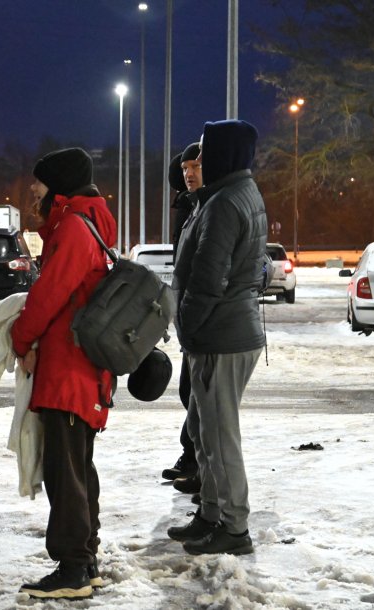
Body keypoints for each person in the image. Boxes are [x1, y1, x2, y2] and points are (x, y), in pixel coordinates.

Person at [10, 147, 117, 600]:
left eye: (39, 183)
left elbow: (50, 295)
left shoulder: (74, 228)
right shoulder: (84, 224)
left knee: (65, 472)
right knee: (77, 468)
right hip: (78, 370)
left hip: (70, 371)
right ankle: (84, 559)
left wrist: (20, 337)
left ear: (57, 187)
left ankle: (73, 567)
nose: (32, 190)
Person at [167, 120, 268, 557]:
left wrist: (185, 326)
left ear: (225, 153)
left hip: (221, 334)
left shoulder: (226, 202)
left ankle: (234, 527)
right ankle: (210, 514)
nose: (199, 161)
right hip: (219, 331)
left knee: (221, 436)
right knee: (204, 431)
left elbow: (208, 279)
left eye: (206, 153)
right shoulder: (226, 195)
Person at [161, 144, 203, 500]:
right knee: (189, 392)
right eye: (186, 167)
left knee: (201, 396)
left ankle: (200, 466)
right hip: (189, 316)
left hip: (206, 321)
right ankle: (192, 457)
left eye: (197, 166)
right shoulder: (186, 205)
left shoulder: (211, 206)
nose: (189, 173)